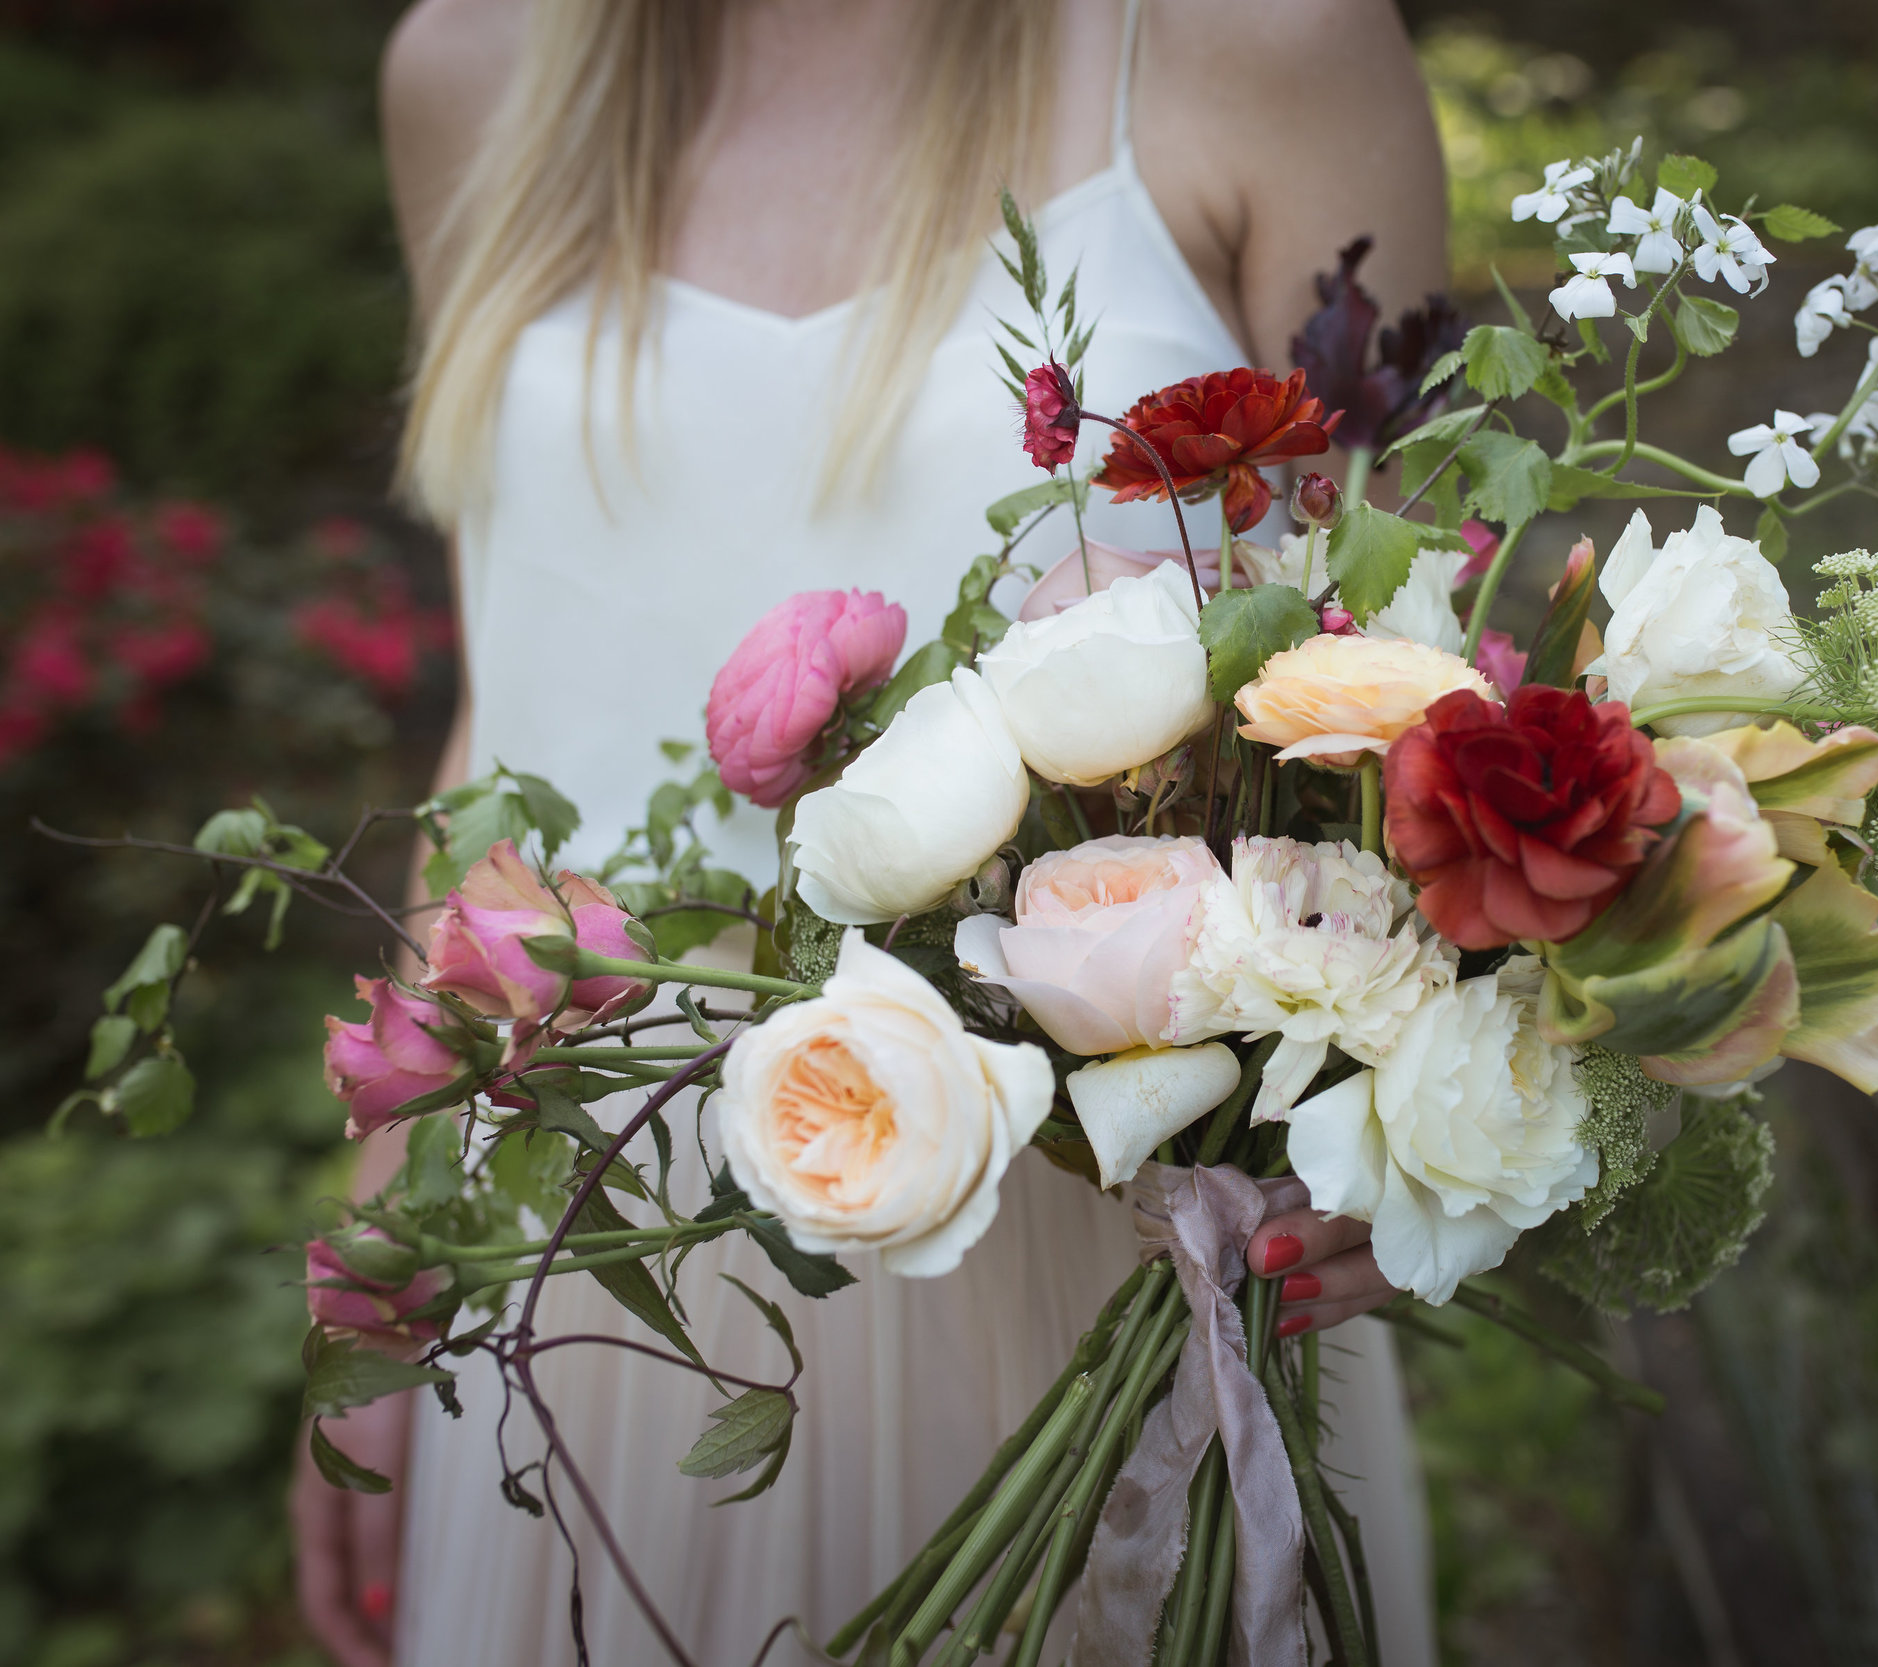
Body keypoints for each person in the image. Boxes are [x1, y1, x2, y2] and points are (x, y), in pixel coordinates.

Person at [289, 1, 1450, 1662]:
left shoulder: (1245, 41)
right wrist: (393, 1257)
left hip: (1095, 1225)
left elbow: (1410, 677)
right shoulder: (473, 69)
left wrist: (1410, 1119)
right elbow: (513, 716)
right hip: (604, 1241)